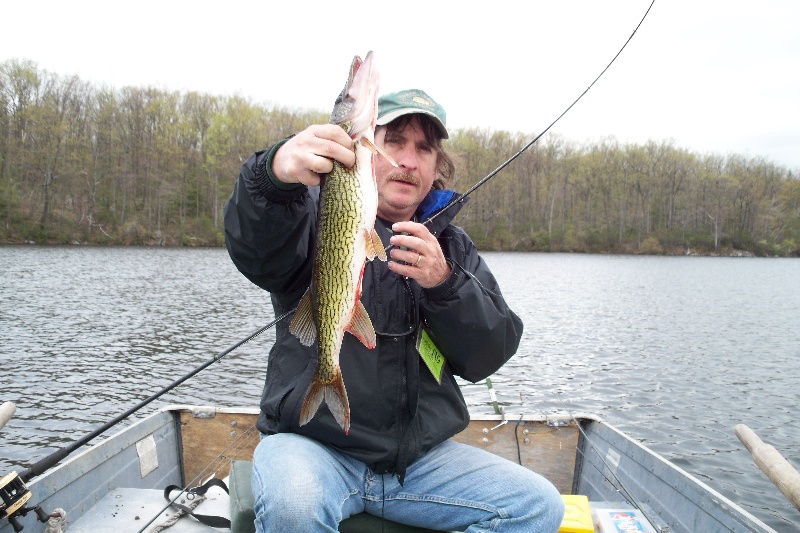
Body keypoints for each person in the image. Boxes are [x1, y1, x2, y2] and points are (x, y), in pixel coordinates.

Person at [223, 88, 564, 532]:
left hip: (419, 463)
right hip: (311, 447)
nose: (409, 160)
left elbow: (489, 354)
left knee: (538, 507)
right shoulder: (309, 214)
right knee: (295, 504)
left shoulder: (453, 249)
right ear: (364, 150)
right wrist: (271, 176)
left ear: (437, 165)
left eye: (424, 148)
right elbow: (256, 246)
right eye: (395, 141)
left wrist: (444, 283)